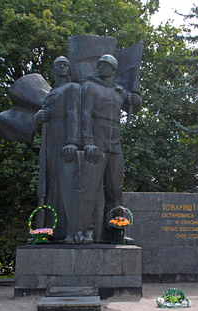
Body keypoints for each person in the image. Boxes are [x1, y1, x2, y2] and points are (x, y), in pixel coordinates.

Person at [79, 54, 141, 243]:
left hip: (115, 142)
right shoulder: (89, 87)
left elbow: (134, 105)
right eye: (99, 65)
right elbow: (85, 114)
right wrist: (88, 140)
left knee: (116, 190)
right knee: (91, 190)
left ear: (114, 70)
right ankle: (87, 230)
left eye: (104, 65)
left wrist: (135, 99)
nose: (100, 68)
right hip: (96, 139)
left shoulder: (118, 92)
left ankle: (117, 229)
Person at [33, 56, 81, 241]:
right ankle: (45, 230)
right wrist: (39, 117)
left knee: (66, 184)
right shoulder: (49, 94)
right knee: (48, 184)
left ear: (69, 69)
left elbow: (74, 114)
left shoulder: (73, 88)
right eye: (58, 65)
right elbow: (38, 125)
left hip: (64, 138)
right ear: (53, 70)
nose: (62, 67)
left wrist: (73, 141)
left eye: (65, 65)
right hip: (49, 141)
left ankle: (70, 230)